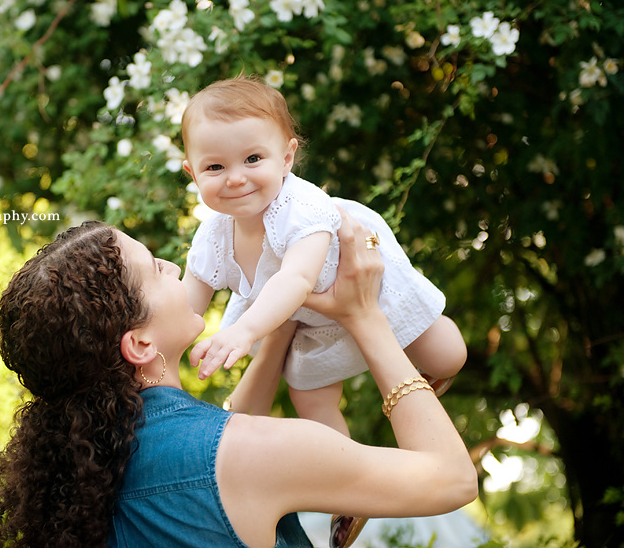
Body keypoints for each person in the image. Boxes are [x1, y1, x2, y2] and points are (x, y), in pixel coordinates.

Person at [0, 218, 478, 548]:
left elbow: (220, 440)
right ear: (138, 345)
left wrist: (283, 315)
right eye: (155, 269)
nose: (175, 267)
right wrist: (365, 315)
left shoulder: (90, 467)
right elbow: (452, 479)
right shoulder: (248, 454)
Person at [180, 76, 467, 432]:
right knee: (310, 399)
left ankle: (419, 368)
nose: (235, 178)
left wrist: (244, 330)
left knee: (448, 354)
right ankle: (343, 462)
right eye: (215, 167)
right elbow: (185, 306)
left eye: (253, 159)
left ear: (286, 158)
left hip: (365, 291)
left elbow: (296, 277)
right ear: (192, 172)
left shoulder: (300, 207)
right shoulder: (213, 235)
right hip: (307, 320)